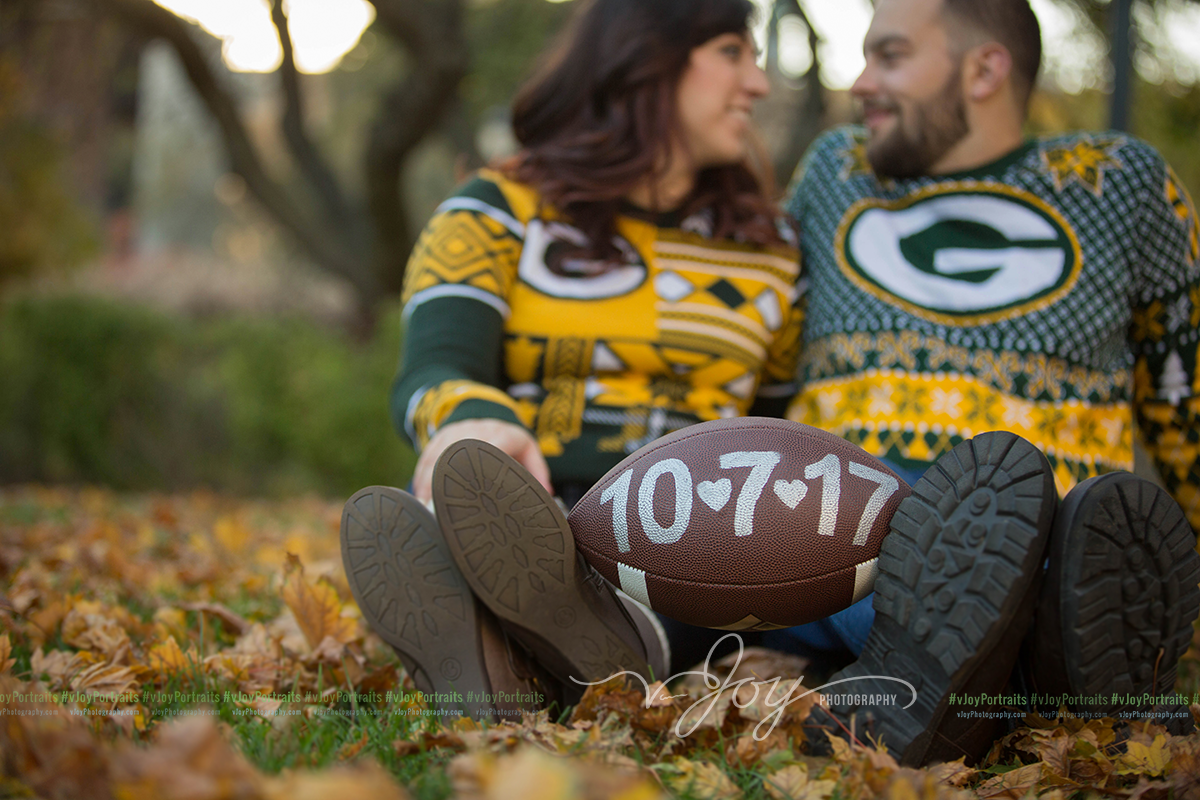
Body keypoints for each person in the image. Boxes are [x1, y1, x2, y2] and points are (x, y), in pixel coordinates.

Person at [340, 0, 803, 721]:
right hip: (528, 497)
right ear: (647, 59)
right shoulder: (495, 211)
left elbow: (779, 426)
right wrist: (471, 427)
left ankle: (546, 648)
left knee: (715, 540)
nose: (759, 84)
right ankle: (540, 632)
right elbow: (433, 369)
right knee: (488, 501)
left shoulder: (771, 250)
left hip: (696, 524)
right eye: (731, 53)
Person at [777, 0, 1200, 764]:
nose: (862, 83)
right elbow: (768, 365)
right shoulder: (837, 174)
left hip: (1053, 528)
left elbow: (1187, 405)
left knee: (1053, 539)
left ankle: (974, 662)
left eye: (891, 56)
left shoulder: (1120, 186)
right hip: (844, 526)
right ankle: (1039, 663)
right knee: (865, 537)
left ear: (984, 69)